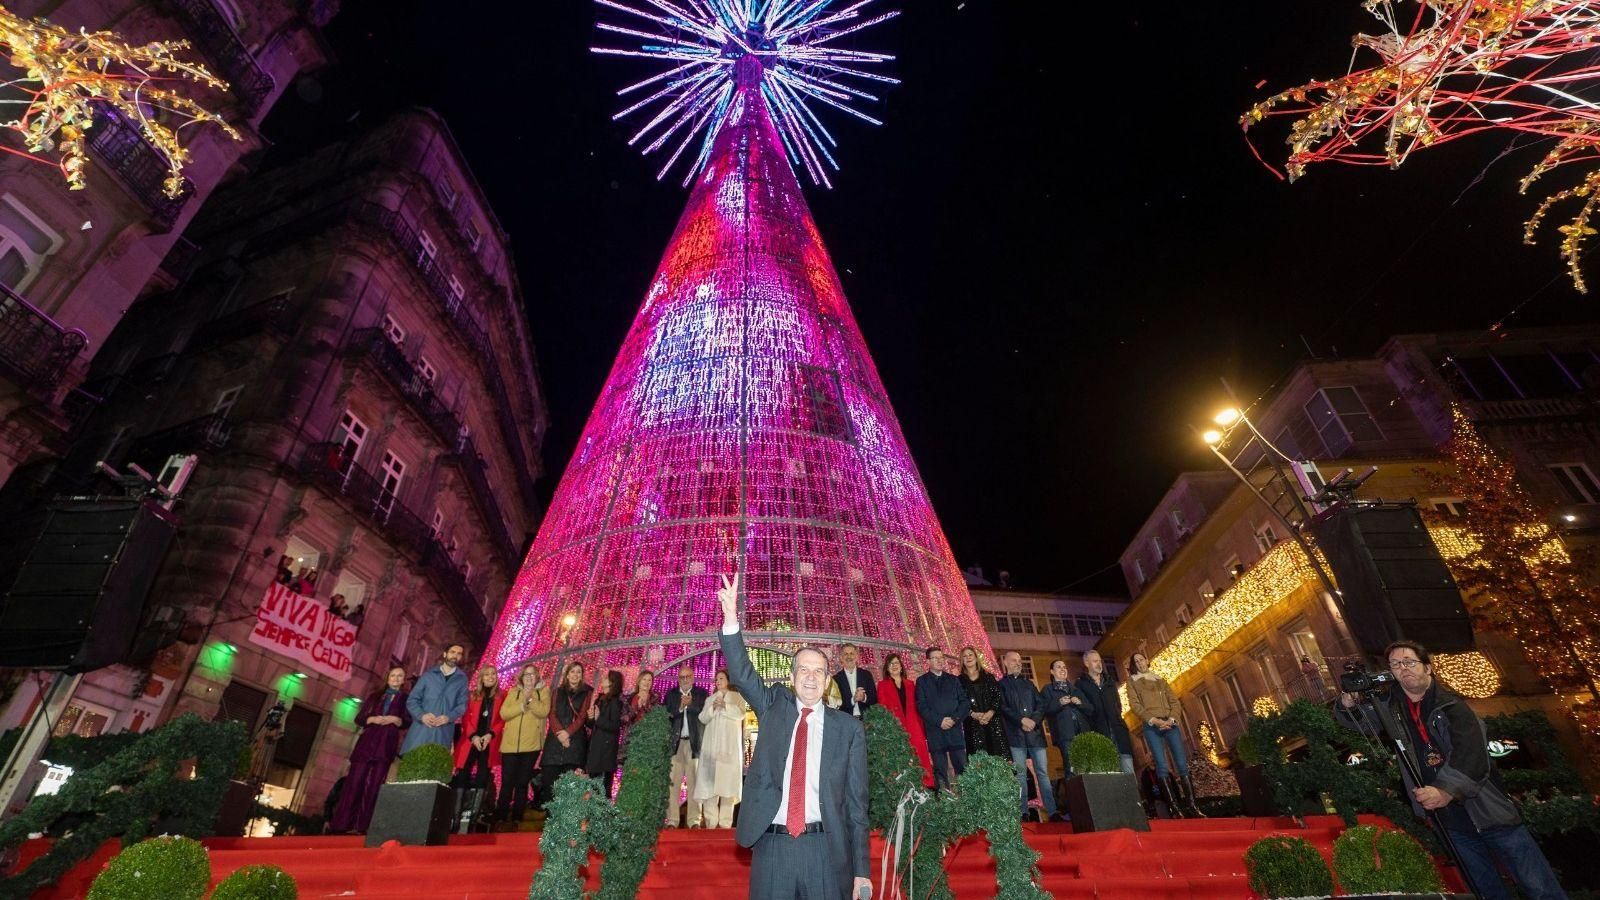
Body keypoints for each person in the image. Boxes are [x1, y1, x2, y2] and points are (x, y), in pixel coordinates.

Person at [1338, 641, 1567, 900]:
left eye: (1410, 662)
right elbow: (1362, 722)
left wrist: (1445, 790)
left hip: (1489, 812)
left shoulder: (1452, 706)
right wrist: (1348, 704)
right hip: (1451, 823)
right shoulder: (1393, 707)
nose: (1404, 668)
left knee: (1539, 887)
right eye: (1396, 664)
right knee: (1486, 891)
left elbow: (1471, 755)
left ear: (1428, 668)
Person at [718, 573, 870, 900]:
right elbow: (742, 674)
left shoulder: (849, 730)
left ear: (828, 681)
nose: (811, 677)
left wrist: (861, 870)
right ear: (792, 676)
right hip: (773, 848)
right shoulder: (774, 707)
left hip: (825, 851)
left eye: (819, 671)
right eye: (803, 669)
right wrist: (731, 619)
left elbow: (857, 806)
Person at [328, 666, 410, 833]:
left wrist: (396, 720)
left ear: (403, 680)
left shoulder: (406, 699)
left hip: (385, 745)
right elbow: (359, 718)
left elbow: (407, 721)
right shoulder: (375, 696)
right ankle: (342, 824)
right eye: (393, 675)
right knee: (354, 783)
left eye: (399, 676)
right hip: (367, 744)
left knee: (374, 786)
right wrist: (372, 719)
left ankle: (363, 826)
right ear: (388, 678)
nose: (395, 678)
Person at [1127, 651, 1200, 817]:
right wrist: (1155, 720)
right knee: (1161, 766)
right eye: (1136, 661)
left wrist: (1172, 719)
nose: (1140, 663)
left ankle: (1192, 807)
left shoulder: (1160, 679)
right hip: (1152, 726)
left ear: (1147, 660)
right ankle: (1174, 808)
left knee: (1181, 763)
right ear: (1133, 665)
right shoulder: (1132, 682)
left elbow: (1174, 701)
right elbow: (1135, 705)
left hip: (1170, 724)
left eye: (1141, 659)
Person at [998, 651, 1058, 822]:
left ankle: (1052, 811)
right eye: (1013, 660)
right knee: (1020, 775)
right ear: (1006, 663)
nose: (1018, 663)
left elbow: (1041, 705)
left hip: (1035, 735)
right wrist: (1021, 720)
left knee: (1042, 773)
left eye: (1019, 660)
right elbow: (1003, 707)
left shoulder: (1029, 684)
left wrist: (1033, 720)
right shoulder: (1001, 685)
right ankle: (1023, 811)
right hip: (1016, 736)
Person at [693, 668, 747, 828]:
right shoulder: (710, 699)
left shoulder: (737, 697)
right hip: (711, 750)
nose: (718, 682)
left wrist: (725, 706)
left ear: (729, 680)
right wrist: (713, 708)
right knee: (709, 786)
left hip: (729, 750)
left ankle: (725, 824)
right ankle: (711, 823)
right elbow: (702, 718)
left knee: (727, 787)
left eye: (721, 678)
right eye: (716, 679)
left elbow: (741, 714)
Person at [452, 664, 504, 829]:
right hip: (470, 740)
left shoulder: (501, 696)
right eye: (487, 674)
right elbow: (465, 719)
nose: (490, 677)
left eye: (493, 674)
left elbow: (502, 719)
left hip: (489, 741)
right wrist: (473, 736)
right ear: (481, 678)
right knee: (462, 774)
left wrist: (490, 735)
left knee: (483, 776)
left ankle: (474, 819)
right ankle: (456, 817)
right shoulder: (472, 695)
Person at [497, 663, 549, 826]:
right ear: (522, 677)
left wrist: (530, 699)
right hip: (510, 745)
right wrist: (521, 705)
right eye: (526, 674)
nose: (529, 677)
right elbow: (504, 713)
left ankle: (517, 817)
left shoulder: (543, 692)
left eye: (532, 674)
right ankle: (500, 816)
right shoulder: (513, 692)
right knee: (507, 782)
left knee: (522, 782)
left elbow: (543, 711)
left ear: (537, 676)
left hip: (531, 746)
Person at [915, 646, 970, 791]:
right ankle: (944, 801)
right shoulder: (922, 681)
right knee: (940, 771)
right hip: (936, 732)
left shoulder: (953, 680)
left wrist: (954, 719)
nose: (940, 661)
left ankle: (967, 800)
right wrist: (939, 721)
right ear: (928, 661)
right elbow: (922, 707)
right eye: (935, 658)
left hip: (954, 731)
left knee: (962, 768)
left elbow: (964, 703)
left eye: (941, 657)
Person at [877, 652, 933, 787]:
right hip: (895, 728)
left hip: (914, 727)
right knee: (900, 761)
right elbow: (883, 708)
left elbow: (918, 708)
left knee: (920, 758)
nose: (894, 666)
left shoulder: (911, 684)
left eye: (896, 663)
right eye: (891, 664)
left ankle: (926, 787)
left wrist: (922, 730)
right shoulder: (882, 685)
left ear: (901, 666)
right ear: (887, 668)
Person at [401, 644, 468, 755]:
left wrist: (448, 717)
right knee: (413, 762)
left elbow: (462, 705)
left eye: (459, 654)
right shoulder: (428, 675)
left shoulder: (462, 680)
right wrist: (422, 716)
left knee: (435, 763)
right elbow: (412, 700)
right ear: (445, 654)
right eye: (452, 652)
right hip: (421, 730)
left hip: (443, 732)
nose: (455, 656)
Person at [541, 661, 593, 803]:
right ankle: (550, 816)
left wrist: (567, 733)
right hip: (554, 743)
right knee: (549, 784)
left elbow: (582, 716)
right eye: (572, 671)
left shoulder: (587, 692)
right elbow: (552, 714)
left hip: (574, 744)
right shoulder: (557, 691)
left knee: (571, 787)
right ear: (567, 675)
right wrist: (560, 733)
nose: (575, 675)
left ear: (582, 675)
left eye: (578, 672)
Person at [1075, 650, 1134, 774]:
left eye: (1100, 661)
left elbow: (1118, 704)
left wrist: (1116, 716)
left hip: (1119, 731)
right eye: (1095, 661)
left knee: (1128, 772)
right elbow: (1085, 710)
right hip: (1100, 734)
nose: (1099, 664)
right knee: (1111, 775)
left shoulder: (1109, 681)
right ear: (1086, 663)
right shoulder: (1080, 684)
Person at [664, 664, 708, 827]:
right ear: (678, 679)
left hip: (694, 744)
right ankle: (672, 820)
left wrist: (691, 705)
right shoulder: (671, 695)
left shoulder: (702, 694)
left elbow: (705, 715)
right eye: (682, 677)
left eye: (688, 676)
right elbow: (666, 716)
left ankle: (694, 820)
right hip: (675, 745)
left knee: (694, 783)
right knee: (672, 783)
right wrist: (680, 708)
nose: (685, 680)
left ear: (693, 677)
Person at [1041, 658, 1093, 774]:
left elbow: (1090, 709)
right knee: (1071, 766)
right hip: (1065, 734)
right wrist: (1059, 703)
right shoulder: (1047, 689)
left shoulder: (1075, 689)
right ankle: (1072, 784)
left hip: (1082, 732)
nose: (1063, 669)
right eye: (1059, 667)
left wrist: (1080, 703)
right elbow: (1044, 710)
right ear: (1052, 672)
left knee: (1087, 766)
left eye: (1064, 667)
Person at [958, 646, 1008, 758]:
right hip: (972, 725)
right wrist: (972, 714)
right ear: (962, 660)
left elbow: (997, 696)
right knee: (978, 761)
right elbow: (959, 701)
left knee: (998, 759)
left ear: (976, 658)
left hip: (993, 723)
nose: (968, 657)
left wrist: (990, 712)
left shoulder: (988, 677)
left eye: (970, 655)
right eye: (964, 656)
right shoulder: (959, 680)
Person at [585, 670, 626, 796]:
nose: (602, 678)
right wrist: (590, 718)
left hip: (605, 753)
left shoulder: (616, 702)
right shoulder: (600, 699)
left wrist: (598, 718)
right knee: (593, 787)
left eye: (606, 678)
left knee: (603, 789)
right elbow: (592, 724)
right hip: (595, 749)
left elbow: (615, 726)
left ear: (612, 683)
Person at [831, 643, 877, 721]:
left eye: (851, 653)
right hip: (845, 720)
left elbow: (874, 699)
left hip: (866, 721)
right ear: (841, 657)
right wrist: (853, 700)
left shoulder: (866, 675)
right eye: (846, 654)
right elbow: (835, 704)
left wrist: (864, 698)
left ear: (856, 656)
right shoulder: (836, 679)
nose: (849, 656)